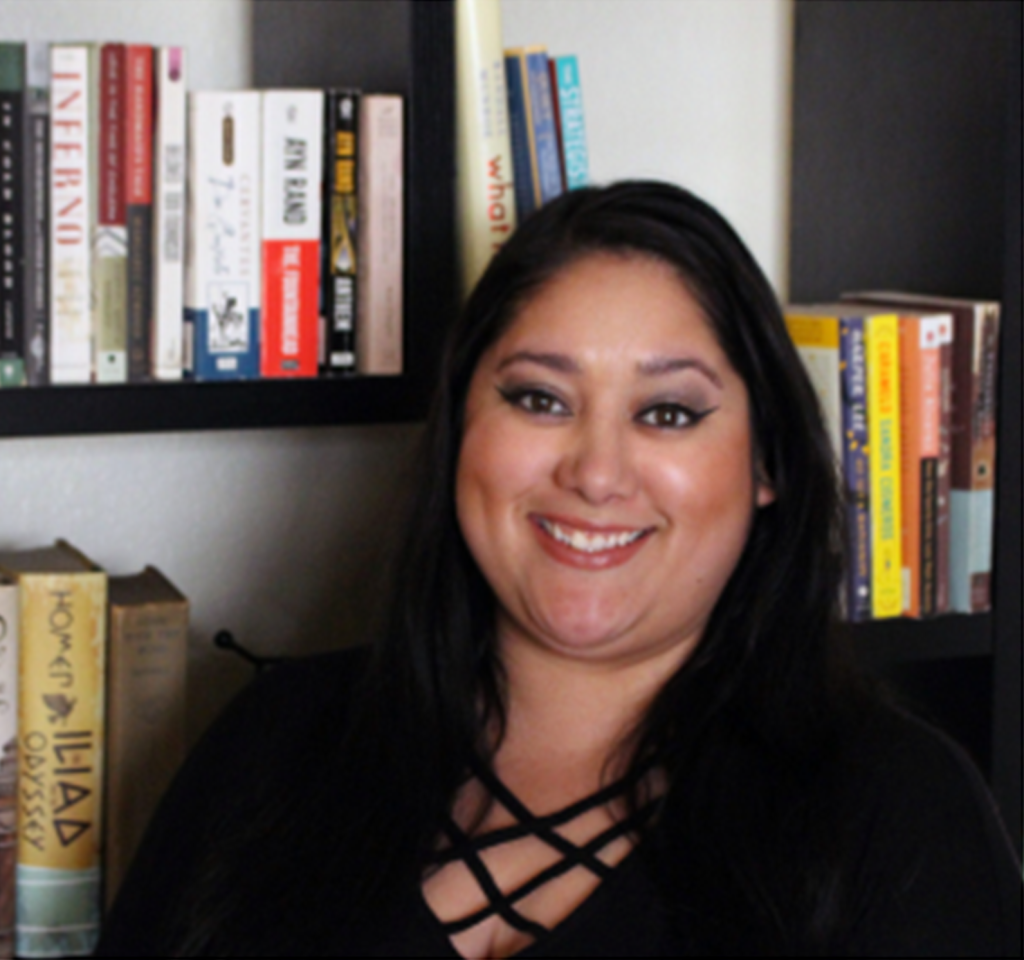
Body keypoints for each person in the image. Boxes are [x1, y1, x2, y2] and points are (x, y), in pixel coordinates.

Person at [97, 181, 1022, 958]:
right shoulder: (276, 742)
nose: (595, 473)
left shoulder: (898, 812)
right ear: (465, 426)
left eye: (667, 413)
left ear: (767, 464)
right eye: (540, 398)